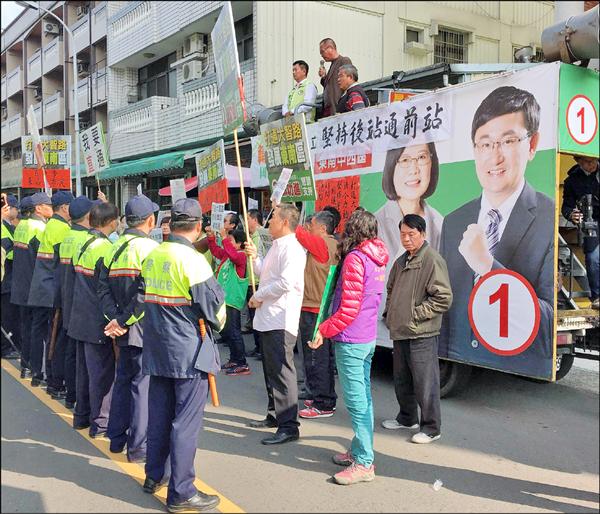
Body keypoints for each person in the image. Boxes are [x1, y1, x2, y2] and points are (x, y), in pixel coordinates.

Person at [439, 85, 554, 377]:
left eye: (508, 141)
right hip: (456, 356)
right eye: (485, 144)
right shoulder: (454, 222)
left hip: (517, 363)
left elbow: (549, 328)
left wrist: (489, 268)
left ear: (532, 144)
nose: (495, 156)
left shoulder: (548, 217)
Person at [139, 198, 225, 513]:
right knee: (185, 424)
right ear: (198, 226)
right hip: (188, 352)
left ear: (170, 223)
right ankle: (182, 492)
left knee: (160, 417)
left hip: (157, 349)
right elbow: (214, 312)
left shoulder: (153, 254)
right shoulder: (194, 261)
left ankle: (153, 476)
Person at [310, 209, 389, 485]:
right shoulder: (377, 257)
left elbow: (348, 309)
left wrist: (323, 329)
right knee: (363, 398)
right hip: (366, 338)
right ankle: (358, 451)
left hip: (352, 339)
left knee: (356, 403)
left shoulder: (356, 259)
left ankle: (365, 463)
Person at [98, 194, 159, 462]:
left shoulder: (112, 247)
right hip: (143, 330)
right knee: (141, 388)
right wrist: (124, 321)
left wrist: (114, 319)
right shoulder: (151, 250)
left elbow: (101, 289)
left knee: (122, 382)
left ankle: (116, 439)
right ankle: (138, 448)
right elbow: (146, 294)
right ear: (150, 220)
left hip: (120, 330)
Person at [382, 214, 452, 444]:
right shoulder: (401, 260)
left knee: (425, 382)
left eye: (412, 234)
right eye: (403, 234)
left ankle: (431, 427)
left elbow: (443, 298)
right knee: (402, 379)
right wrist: (389, 312)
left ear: (423, 234)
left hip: (421, 332)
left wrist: (415, 315)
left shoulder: (432, 260)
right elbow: (391, 289)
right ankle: (407, 418)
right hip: (400, 329)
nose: (407, 239)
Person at [245, 203, 306, 445]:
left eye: (272, 219)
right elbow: (265, 273)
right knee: (271, 370)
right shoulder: (277, 246)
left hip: (281, 318)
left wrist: (259, 296)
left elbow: (285, 283)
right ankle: (275, 414)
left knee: (282, 372)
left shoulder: (292, 248)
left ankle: (289, 425)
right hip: (268, 318)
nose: (268, 222)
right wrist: (254, 257)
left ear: (284, 222)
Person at [68, 202, 119, 438]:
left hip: (78, 316)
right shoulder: (107, 248)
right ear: (113, 222)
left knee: (85, 371)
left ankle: (81, 417)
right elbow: (107, 289)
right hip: (97, 320)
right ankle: (100, 423)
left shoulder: (82, 243)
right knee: (101, 374)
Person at [27, 191, 74, 395]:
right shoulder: (61, 228)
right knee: (54, 337)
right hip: (51, 289)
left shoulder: (51, 225)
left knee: (47, 335)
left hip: (42, 286)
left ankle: (42, 374)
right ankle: (54, 380)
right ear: (64, 207)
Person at [296, 211, 339, 419]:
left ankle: (324, 403)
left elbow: (298, 233)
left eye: (311, 224)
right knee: (318, 358)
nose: (308, 228)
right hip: (315, 307)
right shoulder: (329, 244)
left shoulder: (324, 245)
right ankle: (320, 396)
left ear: (323, 228)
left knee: (317, 358)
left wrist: (285, 214)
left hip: (315, 309)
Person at [375, 142, 443, 267]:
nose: (414, 170)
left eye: (422, 157)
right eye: (405, 160)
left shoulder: (440, 223)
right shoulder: (375, 225)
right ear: (391, 166)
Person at [58, 196, 98, 409]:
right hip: (82, 303)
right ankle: (80, 399)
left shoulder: (67, 236)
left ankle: (71, 395)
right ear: (89, 216)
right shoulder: (87, 240)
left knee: (71, 349)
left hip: (67, 298)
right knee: (83, 357)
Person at [11, 192, 53, 380]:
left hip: (20, 286)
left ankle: (25, 366)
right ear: (38, 208)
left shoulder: (21, 226)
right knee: (38, 330)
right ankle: (37, 370)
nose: (51, 208)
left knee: (26, 327)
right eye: (48, 205)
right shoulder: (40, 228)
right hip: (34, 288)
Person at [206, 226, 250, 376]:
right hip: (225, 298)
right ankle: (234, 358)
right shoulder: (230, 254)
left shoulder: (242, 256)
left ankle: (242, 362)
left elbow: (233, 255)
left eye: (232, 241)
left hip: (233, 300)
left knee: (234, 332)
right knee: (228, 332)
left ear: (240, 244)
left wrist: (224, 237)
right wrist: (211, 238)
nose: (228, 244)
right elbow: (217, 252)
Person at [561, 155, 599, 308]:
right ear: (577, 161)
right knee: (593, 258)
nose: (587, 165)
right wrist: (572, 214)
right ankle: (597, 297)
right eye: (582, 162)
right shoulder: (572, 181)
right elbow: (566, 207)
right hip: (591, 222)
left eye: (590, 161)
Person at [245, 208, 269, 358]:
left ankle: (262, 348)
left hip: (260, 281)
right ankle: (258, 346)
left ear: (254, 219)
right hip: (251, 280)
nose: (246, 222)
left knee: (258, 316)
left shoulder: (262, 236)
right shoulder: (251, 236)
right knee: (253, 317)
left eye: (247, 219)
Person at [1, 193, 21, 359]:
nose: (17, 210)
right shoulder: (3, 228)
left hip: (9, 279)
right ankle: (5, 348)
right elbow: (8, 254)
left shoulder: (9, 226)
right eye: (15, 207)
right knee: (6, 316)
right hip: (5, 279)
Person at [318, 38, 352, 118]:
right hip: (328, 108)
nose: (322, 55)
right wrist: (324, 77)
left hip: (338, 107)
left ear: (331, 48)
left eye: (322, 51)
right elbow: (330, 85)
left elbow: (349, 83)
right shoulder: (332, 64)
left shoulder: (344, 60)